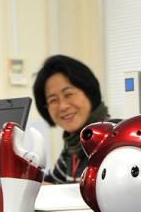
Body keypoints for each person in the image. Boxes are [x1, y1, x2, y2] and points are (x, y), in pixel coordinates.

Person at [32, 54, 111, 184]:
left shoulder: (114, 138)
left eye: (68, 94)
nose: (63, 106)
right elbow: (51, 184)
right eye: (53, 100)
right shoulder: (72, 146)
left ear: (88, 92)